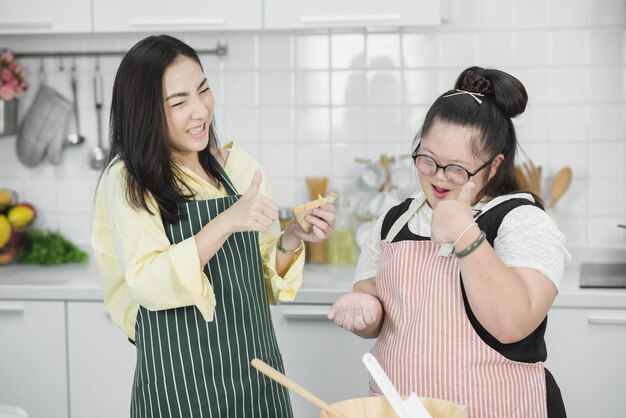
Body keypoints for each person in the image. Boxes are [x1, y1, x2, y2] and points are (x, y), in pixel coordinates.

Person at [91, 34, 335, 418]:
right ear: (145, 111)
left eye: (203, 90)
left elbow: (267, 283)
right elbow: (147, 281)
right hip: (180, 387)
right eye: (178, 102)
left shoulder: (242, 168)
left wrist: (292, 237)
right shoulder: (128, 180)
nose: (201, 110)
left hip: (258, 379)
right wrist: (225, 222)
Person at [328, 66, 571, 418]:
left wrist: (465, 235)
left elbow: (513, 323)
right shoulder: (395, 221)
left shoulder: (521, 220)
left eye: (458, 169)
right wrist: (363, 311)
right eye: (427, 160)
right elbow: (377, 312)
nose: (439, 178)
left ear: (493, 166)